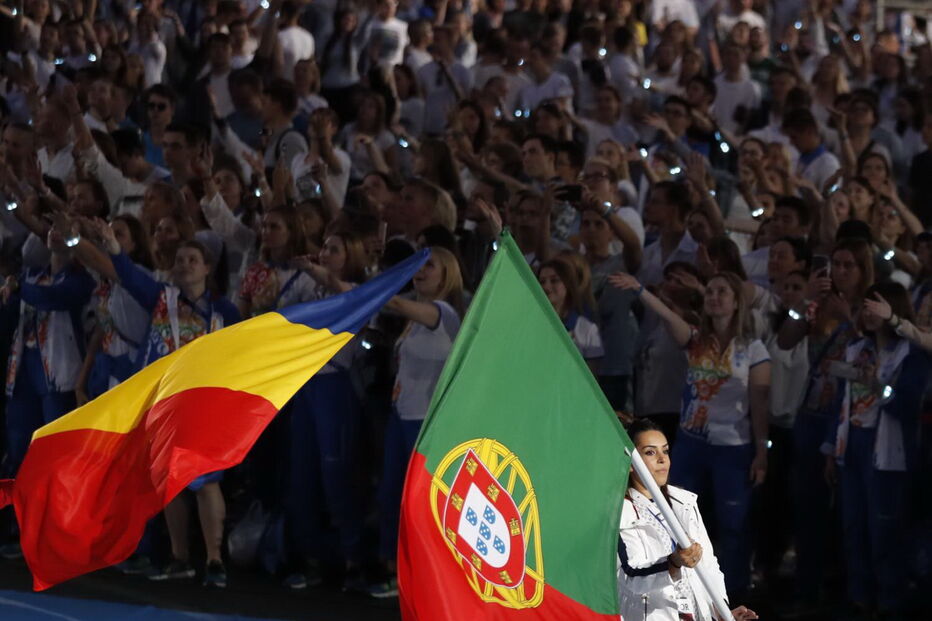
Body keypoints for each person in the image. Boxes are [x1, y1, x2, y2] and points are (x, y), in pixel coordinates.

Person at [611, 271, 770, 595]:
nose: (714, 297)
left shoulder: (753, 349)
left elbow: (759, 403)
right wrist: (640, 289)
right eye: (709, 291)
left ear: (737, 302)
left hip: (733, 447)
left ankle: (735, 593)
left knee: (733, 524)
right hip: (691, 444)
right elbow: (668, 316)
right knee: (675, 515)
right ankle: (680, 586)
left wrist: (761, 452)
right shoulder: (696, 340)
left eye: (722, 291)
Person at [826, 282, 932, 619]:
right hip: (853, 448)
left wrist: (878, 386)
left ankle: (890, 601)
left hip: (888, 454)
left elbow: (908, 406)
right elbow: (841, 401)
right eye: (865, 306)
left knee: (884, 530)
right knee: (853, 526)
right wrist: (831, 448)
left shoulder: (911, 355)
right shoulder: (856, 348)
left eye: (876, 306)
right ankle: (860, 597)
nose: (868, 313)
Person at [373, 247, 464, 597]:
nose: (420, 271)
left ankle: (419, 580)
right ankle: (393, 571)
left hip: (425, 424)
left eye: (429, 266)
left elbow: (394, 302)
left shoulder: (443, 313)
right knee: (391, 495)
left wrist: (368, 289)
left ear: (447, 275)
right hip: (402, 416)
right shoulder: (415, 318)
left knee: (418, 504)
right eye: (418, 265)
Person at [618, 418, 759, 621]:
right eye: (650, 452)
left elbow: (708, 565)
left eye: (665, 451)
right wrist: (673, 563)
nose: (662, 459)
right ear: (631, 463)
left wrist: (721, 611)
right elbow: (630, 576)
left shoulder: (684, 501)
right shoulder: (619, 512)